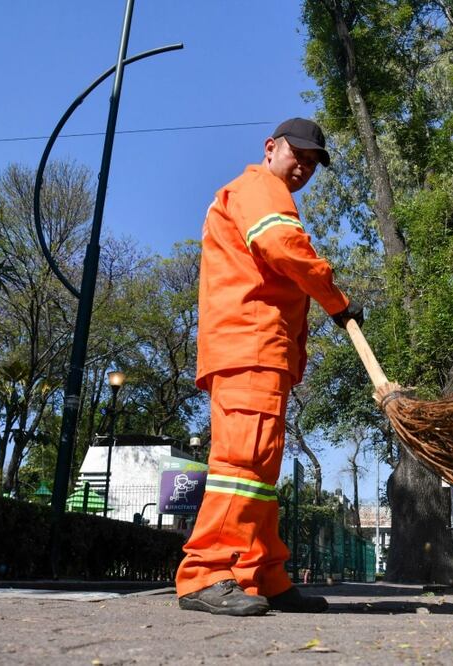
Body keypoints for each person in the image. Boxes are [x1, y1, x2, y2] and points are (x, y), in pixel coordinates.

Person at [175, 118, 363, 616]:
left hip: (258, 349)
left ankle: (262, 574)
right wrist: (336, 299)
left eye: (312, 162)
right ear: (270, 148)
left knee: (258, 470)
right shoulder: (261, 187)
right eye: (297, 154)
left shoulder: (256, 192)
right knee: (241, 464)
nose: (303, 166)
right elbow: (284, 248)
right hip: (249, 345)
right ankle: (206, 573)